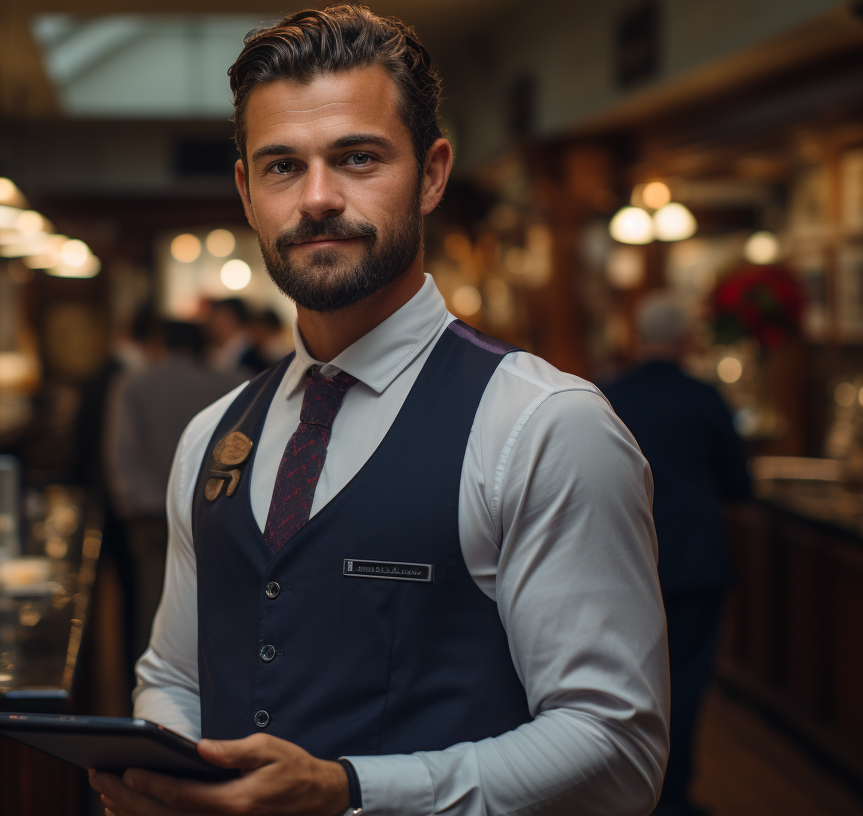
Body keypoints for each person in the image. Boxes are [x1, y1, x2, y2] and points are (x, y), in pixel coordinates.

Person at [90, 7, 668, 816]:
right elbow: (174, 677)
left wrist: (351, 792)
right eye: (283, 166)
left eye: (357, 158)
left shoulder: (544, 425)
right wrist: (172, 777)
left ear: (431, 175)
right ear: (247, 192)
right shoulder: (212, 436)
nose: (318, 198)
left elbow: (615, 749)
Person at [603, 292, 752, 816]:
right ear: (687, 340)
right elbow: (740, 484)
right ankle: (673, 797)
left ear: (638, 337)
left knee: (619, 681)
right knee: (685, 684)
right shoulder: (705, 398)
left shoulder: (606, 395)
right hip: (692, 562)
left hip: (617, 562)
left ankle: (621, 794)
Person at [106, 321, 245, 664]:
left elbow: (122, 454)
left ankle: (152, 704)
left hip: (151, 516)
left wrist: (135, 501)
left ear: (160, 344)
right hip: (217, 512)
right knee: (218, 607)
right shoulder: (232, 384)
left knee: (155, 611)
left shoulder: (136, 384)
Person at [206, 297, 264, 376]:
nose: (211, 323)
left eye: (216, 316)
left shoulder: (253, 359)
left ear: (231, 318)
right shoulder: (218, 352)